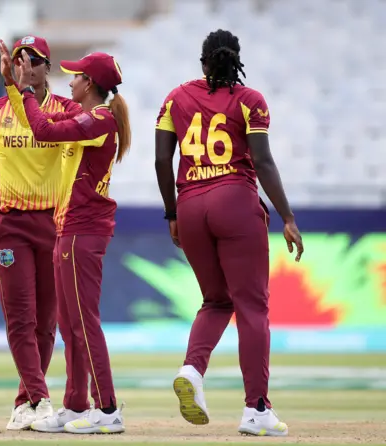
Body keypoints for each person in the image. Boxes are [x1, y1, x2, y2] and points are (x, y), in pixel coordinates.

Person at [154, 29, 304, 437]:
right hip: (235, 201)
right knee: (252, 308)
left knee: (215, 300)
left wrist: (171, 212)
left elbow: (162, 158)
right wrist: (287, 217)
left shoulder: (175, 97)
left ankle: (192, 370)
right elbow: (263, 161)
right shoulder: (250, 100)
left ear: (202, 62)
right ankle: (256, 409)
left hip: (190, 205)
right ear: (236, 60)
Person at [0, 36, 81, 431]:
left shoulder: (65, 111)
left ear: (47, 65)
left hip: (52, 224)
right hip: (9, 224)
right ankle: (40, 400)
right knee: (21, 318)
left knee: (47, 323)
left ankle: (24, 402)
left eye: (35, 60)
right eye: (20, 60)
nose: (27, 66)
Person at [10, 50, 130, 435]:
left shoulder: (99, 119)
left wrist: (26, 89)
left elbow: (43, 131)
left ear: (90, 84)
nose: (70, 81)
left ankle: (107, 408)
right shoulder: (86, 117)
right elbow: (42, 123)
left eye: (76, 76)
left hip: (83, 230)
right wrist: (20, 90)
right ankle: (76, 403)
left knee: (84, 322)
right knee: (69, 322)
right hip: (69, 228)